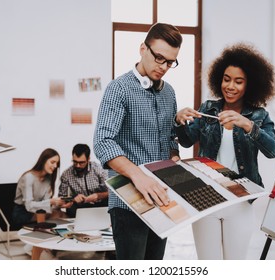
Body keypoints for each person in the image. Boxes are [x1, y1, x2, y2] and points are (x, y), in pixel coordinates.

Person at [175, 43, 275, 259]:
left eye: (238, 81)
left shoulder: (258, 116)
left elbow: (273, 150)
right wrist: (179, 121)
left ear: (250, 85)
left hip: (240, 201)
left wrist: (247, 125)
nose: (230, 86)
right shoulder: (208, 109)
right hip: (205, 196)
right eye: (226, 79)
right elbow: (186, 141)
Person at [94, 23, 183, 260]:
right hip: (127, 202)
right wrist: (138, 175)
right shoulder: (119, 89)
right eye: (159, 58)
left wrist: (174, 156)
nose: (163, 67)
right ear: (143, 48)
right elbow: (103, 142)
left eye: (170, 62)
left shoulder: (169, 92)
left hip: (162, 199)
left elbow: (170, 137)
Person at [12, 148, 72, 228]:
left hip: (38, 211)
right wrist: (51, 202)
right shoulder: (28, 177)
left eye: (57, 163)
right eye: (52, 162)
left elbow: (44, 204)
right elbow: (29, 206)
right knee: (58, 215)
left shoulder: (47, 180)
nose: (55, 166)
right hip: (23, 213)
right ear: (43, 160)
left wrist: (59, 204)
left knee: (59, 213)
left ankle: (64, 236)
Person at [58, 144, 108, 218]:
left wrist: (98, 196)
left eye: (81, 162)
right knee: (71, 208)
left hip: (100, 204)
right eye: (75, 162)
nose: (78, 165)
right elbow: (62, 197)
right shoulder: (66, 174)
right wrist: (73, 199)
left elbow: (113, 191)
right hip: (80, 207)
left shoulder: (99, 169)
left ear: (88, 159)